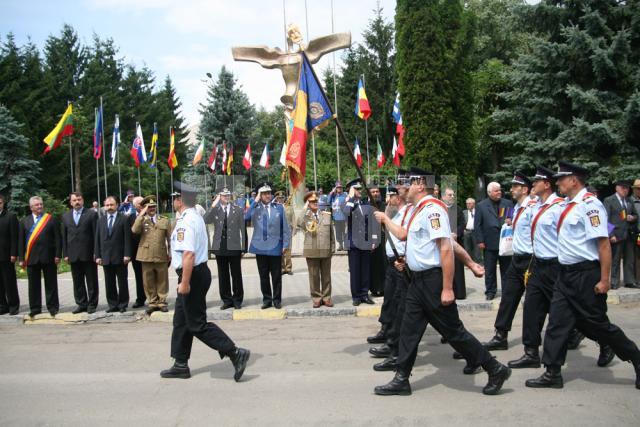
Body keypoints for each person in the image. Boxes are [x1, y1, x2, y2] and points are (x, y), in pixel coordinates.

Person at [373, 167, 511, 396]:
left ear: (420, 185)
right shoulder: (420, 210)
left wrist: (447, 288)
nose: (404, 187)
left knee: (454, 332)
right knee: (409, 329)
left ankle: (494, 368)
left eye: (410, 182)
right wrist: (387, 221)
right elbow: (407, 237)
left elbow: (446, 248)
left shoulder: (433, 211)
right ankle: (401, 378)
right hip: (417, 282)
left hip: (433, 282)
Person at [526, 161, 640, 390]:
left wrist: (605, 280)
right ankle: (552, 372)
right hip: (564, 274)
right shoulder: (567, 205)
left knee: (598, 325)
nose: (557, 182)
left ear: (573, 180)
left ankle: (636, 358)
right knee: (557, 322)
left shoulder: (590, 205)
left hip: (585, 275)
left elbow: (604, 244)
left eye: (561, 178)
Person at [508, 166, 614, 369]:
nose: (532, 185)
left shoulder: (561, 205)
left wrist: (611, 232)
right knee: (532, 308)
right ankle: (531, 352)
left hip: (558, 266)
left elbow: (598, 229)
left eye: (536, 182)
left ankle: (605, 341)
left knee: (575, 315)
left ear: (545, 184)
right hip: (538, 265)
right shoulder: (536, 205)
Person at [160, 181, 250, 381]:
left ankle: (235, 352)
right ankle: (180, 364)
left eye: (175, 197)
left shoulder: (186, 221)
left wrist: (184, 282)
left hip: (191, 274)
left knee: (196, 324)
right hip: (197, 272)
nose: (173, 200)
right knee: (181, 321)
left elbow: (189, 254)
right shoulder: (194, 217)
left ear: (180, 200)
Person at [368, 185, 411, 370]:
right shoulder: (398, 212)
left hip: (403, 265)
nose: (389, 198)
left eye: (392, 195)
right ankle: (390, 340)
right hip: (395, 262)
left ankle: (394, 347)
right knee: (391, 303)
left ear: (399, 198)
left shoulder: (408, 212)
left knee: (401, 308)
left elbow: (407, 237)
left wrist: (406, 258)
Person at [245, 182, 290, 309]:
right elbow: (246, 217)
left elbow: (285, 228)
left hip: (276, 246)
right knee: (263, 276)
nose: (267, 196)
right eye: (264, 193)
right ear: (260, 195)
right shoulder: (256, 208)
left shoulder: (279, 208)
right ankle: (267, 299)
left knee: (276, 276)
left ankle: (277, 300)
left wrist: (285, 244)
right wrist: (255, 200)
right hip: (260, 247)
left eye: (269, 193)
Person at [18, 196, 61, 317]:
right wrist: (21, 258)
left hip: (49, 257)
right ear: (31, 207)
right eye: (37, 205)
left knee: (51, 284)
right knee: (33, 285)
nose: (40, 206)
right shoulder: (24, 222)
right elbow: (20, 242)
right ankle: (35, 308)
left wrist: (58, 254)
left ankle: (53, 307)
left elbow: (58, 238)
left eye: (41, 204)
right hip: (31, 258)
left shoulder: (50, 219)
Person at [204, 188, 247, 310]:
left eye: (228, 195)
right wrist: (213, 205)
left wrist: (244, 247)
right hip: (220, 247)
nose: (226, 197)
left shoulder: (237, 210)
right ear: (219, 197)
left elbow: (243, 230)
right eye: (223, 195)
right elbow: (205, 219)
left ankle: (237, 299)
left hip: (234, 247)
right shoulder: (215, 210)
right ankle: (227, 300)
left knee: (236, 274)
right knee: (223, 275)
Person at [131, 196, 172, 315]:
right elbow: (134, 230)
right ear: (144, 208)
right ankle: (152, 302)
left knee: (162, 279)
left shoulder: (164, 219)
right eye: (149, 207)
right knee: (148, 280)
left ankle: (162, 302)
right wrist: (141, 215)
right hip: (146, 254)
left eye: (153, 206)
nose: (152, 209)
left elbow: (169, 238)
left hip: (161, 253)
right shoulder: (141, 220)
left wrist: (170, 252)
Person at [343, 178, 380, 306]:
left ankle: (364, 294)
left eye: (360, 189)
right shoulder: (347, 202)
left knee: (365, 269)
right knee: (355, 270)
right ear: (351, 190)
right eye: (356, 189)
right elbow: (346, 213)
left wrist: (374, 238)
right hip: (353, 242)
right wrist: (351, 198)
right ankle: (356, 296)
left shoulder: (365, 202)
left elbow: (372, 221)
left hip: (365, 242)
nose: (359, 191)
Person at [474, 181, 514, 300]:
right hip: (489, 242)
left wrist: (510, 220)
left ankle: (507, 291)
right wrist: (480, 240)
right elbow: (478, 225)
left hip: (505, 242)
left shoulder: (507, 203)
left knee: (506, 268)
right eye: (496, 191)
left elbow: (510, 218)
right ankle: (490, 291)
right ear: (489, 192)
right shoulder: (481, 205)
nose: (499, 192)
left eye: (500, 190)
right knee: (490, 269)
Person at [61, 192, 99, 314]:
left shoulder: (91, 214)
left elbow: (96, 235)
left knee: (91, 281)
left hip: (88, 254)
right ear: (71, 202)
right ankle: (81, 304)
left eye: (79, 199)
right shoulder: (66, 216)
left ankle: (92, 304)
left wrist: (96, 252)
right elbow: (64, 237)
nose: (77, 202)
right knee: (77, 281)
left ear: (82, 201)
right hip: (73, 254)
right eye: (74, 200)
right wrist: (65, 254)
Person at [297, 191, 334, 307]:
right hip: (311, 250)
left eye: (316, 201)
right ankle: (316, 298)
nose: (315, 203)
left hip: (325, 249)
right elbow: (298, 223)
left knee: (326, 276)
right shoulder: (305, 216)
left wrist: (332, 248)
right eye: (312, 201)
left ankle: (327, 297)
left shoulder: (326, 215)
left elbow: (331, 233)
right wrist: (304, 209)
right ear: (307, 203)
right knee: (313, 276)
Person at [95, 196, 131, 313]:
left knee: (122, 282)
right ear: (104, 206)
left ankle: (122, 304)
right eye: (107, 205)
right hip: (106, 256)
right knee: (109, 282)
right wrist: (98, 255)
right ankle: (112, 304)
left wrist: (127, 254)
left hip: (120, 256)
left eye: (112, 205)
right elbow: (97, 239)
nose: (109, 207)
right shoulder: (101, 220)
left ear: (117, 205)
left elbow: (127, 238)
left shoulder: (124, 219)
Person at [603, 180, 638, 289]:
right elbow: (606, 219)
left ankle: (629, 281)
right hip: (616, 234)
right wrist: (611, 234)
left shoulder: (629, 201)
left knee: (629, 259)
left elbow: (636, 215)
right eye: (623, 188)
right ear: (617, 188)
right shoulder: (609, 200)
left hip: (629, 234)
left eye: (627, 188)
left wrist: (633, 218)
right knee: (615, 260)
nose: (625, 190)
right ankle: (614, 282)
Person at [442, 186, 467, 299]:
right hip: (443, 243)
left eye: (453, 195)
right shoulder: (439, 208)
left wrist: (456, 233)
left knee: (458, 268)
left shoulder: (458, 209)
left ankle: (459, 293)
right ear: (443, 196)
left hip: (456, 242)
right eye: (449, 195)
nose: (452, 197)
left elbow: (462, 224)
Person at [0, 194, 20, 315]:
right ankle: (2, 305)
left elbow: (14, 237)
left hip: (7, 255)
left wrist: (14, 253)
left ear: (3, 203)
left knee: (9, 281)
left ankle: (13, 305)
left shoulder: (10, 217)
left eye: (0, 202)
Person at [368, 185, 387, 296]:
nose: (375, 193)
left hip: (383, 239)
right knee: (373, 265)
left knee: (384, 263)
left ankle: (384, 288)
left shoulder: (385, 206)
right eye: (373, 192)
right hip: (371, 240)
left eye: (377, 191)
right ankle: (374, 288)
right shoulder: (366, 206)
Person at [128, 196, 146, 308]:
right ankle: (140, 299)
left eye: (143, 202)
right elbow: (128, 235)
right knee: (139, 277)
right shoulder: (129, 218)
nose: (142, 205)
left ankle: (156, 299)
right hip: (136, 252)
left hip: (149, 252)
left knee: (152, 276)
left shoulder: (151, 216)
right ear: (135, 206)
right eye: (139, 203)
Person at [275, 191, 294, 275]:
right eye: (279, 198)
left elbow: (294, 219)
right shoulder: (274, 207)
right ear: (276, 199)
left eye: (282, 198)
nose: (280, 199)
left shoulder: (289, 207)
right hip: (278, 232)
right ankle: (282, 268)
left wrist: (294, 231)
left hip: (288, 232)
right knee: (280, 251)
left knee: (288, 251)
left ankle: (288, 268)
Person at [329, 181, 347, 251]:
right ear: (335, 188)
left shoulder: (345, 195)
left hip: (344, 217)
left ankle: (345, 245)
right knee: (338, 232)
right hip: (336, 217)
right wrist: (331, 193)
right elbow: (328, 202)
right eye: (338, 187)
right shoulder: (333, 196)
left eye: (340, 187)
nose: (339, 189)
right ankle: (340, 245)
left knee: (345, 232)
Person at [463, 198, 481, 262]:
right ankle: (468, 262)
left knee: (477, 248)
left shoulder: (478, 212)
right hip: (466, 232)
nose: (468, 205)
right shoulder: (464, 212)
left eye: (469, 203)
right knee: (467, 248)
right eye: (467, 203)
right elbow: (462, 222)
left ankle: (478, 262)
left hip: (475, 232)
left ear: (474, 204)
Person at [632, 179, 640, 285]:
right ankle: (638, 280)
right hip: (637, 233)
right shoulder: (630, 201)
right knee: (637, 258)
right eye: (638, 189)